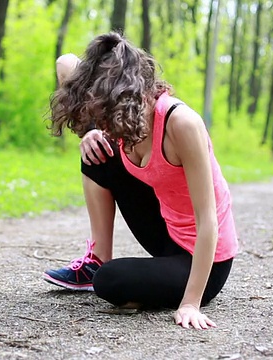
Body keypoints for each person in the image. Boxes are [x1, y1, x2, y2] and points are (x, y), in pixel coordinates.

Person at [42, 33, 238, 330]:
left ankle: (161, 286)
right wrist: (88, 132)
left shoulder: (182, 124)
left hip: (206, 259)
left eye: (102, 114)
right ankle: (97, 257)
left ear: (125, 98)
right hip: (165, 230)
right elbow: (65, 63)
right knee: (96, 151)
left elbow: (208, 220)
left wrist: (190, 303)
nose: (101, 123)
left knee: (110, 281)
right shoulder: (121, 118)